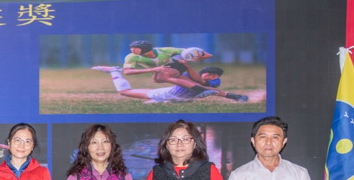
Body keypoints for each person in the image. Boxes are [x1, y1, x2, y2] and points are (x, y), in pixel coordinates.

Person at [97, 64, 249, 104]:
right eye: (209, 73)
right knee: (125, 92)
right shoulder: (187, 76)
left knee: (207, 88)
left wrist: (185, 66)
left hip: (178, 94)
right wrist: (157, 72)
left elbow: (202, 82)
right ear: (202, 72)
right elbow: (156, 81)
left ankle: (236, 97)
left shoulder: (214, 82)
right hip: (167, 94)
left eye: (215, 75)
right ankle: (114, 71)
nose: (213, 77)